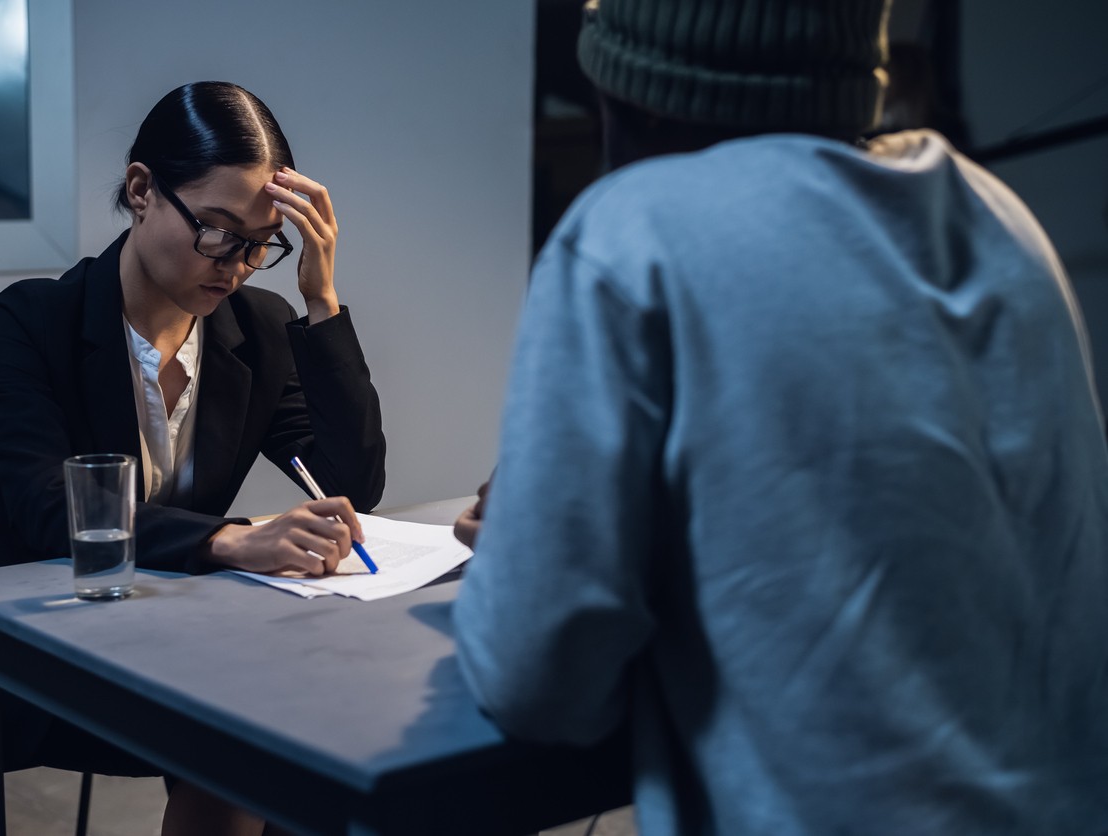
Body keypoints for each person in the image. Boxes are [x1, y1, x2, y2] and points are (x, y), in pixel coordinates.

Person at [451, 1, 1108, 834]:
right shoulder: (999, 216)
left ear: (635, 88)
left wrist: (528, 541)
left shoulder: (635, 229)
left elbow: (536, 686)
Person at [0, 80, 386, 835]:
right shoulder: (37, 320)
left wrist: (321, 304)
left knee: (309, 733)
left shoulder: (258, 326)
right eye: (216, 230)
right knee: (244, 743)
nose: (234, 264)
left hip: (178, 640)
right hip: (24, 654)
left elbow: (350, 486)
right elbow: (47, 511)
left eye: (259, 243)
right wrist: (226, 538)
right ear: (142, 190)